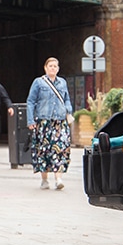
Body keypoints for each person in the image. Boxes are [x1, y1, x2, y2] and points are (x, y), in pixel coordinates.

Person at [26, 57, 74, 190]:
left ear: (58, 69)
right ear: (45, 68)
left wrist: (68, 110)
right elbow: (30, 101)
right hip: (43, 122)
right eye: (50, 66)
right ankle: (44, 179)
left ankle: (58, 179)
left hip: (59, 122)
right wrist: (30, 120)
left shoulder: (62, 83)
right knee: (44, 151)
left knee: (60, 148)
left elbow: (67, 99)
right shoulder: (38, 83)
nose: (53, 68)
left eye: (55, 66)